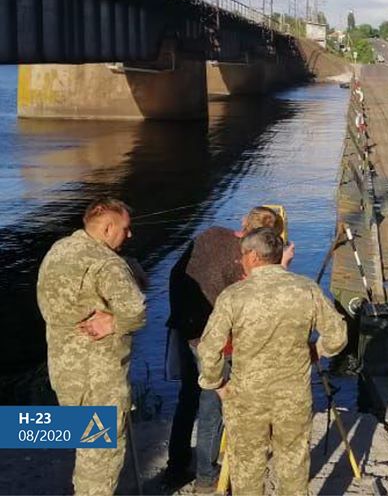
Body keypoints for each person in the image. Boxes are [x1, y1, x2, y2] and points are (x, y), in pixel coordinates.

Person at [198, 228, 347, 495]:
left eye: (242, 254)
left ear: (254, 257)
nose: (239, 260)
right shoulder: (306, 289)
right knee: (293, 465)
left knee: (247, 468)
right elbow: (338, 336)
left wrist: (216, 383)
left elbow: (209, 348)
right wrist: (315, 351)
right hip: (293, 396)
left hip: (246, 397)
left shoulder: (234, 295)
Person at [165, 206, 292, 490]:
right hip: (215, 342)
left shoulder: (209, 235)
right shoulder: (247, 262)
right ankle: (207, 478)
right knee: (213, 407)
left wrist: (180, 317)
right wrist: (281, 270)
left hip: (186, 330)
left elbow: (177, 272)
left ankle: (176, 465)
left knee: (187, 399)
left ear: (243, 221)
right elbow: (261, 306)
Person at [36, 197, 146, 496]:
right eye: (126, 228)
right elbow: (136, 311)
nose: (130, 234)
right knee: (101, 458)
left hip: (66, 373)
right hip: (100, 377)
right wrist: (114, 323)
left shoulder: (59, 250)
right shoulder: (106, 264)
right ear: (108, 228)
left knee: (86, 445)